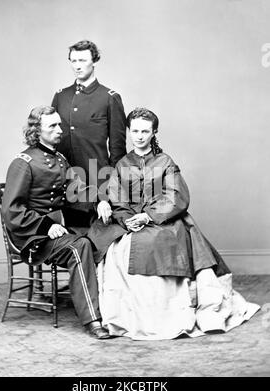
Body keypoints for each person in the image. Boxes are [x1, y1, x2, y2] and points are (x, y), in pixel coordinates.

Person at [87, 107, 260, 340]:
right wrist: (128, 219)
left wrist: (148, 216)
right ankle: (129, 316)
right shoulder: (122, 164)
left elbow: (175, 195)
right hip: (129, 221)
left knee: (158, 242)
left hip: (163, 219)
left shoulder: (165, 161)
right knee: (116, 247)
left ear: (154, 132)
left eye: (145, 131)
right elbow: (117, 197)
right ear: (128, 132)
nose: (139, 136)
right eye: (135, 131)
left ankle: (164, 315)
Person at [2, 105, 111, 339]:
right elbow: (12, 210)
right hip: (33, 236)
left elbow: (76, 190)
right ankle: (93, 319)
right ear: (36, 131)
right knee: (79, 246)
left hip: (58, 230)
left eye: (59, 124)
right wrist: (46, 226)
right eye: (52, 126)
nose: (59, 130)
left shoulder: (60, 158)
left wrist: (98, 201)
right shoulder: (24, 162)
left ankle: (113, 310)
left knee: (103, 235)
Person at [51, 40, 126, 229]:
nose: (77, 66)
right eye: (73, 60)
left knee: (102, 240)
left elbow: (117, 150)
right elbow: (51, 140)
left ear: (94, 61)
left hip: (99, 179)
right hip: (67, 181)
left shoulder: (109, 97)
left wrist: (109, 190)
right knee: (74, 239)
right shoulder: (61, 96)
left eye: (83, 60)